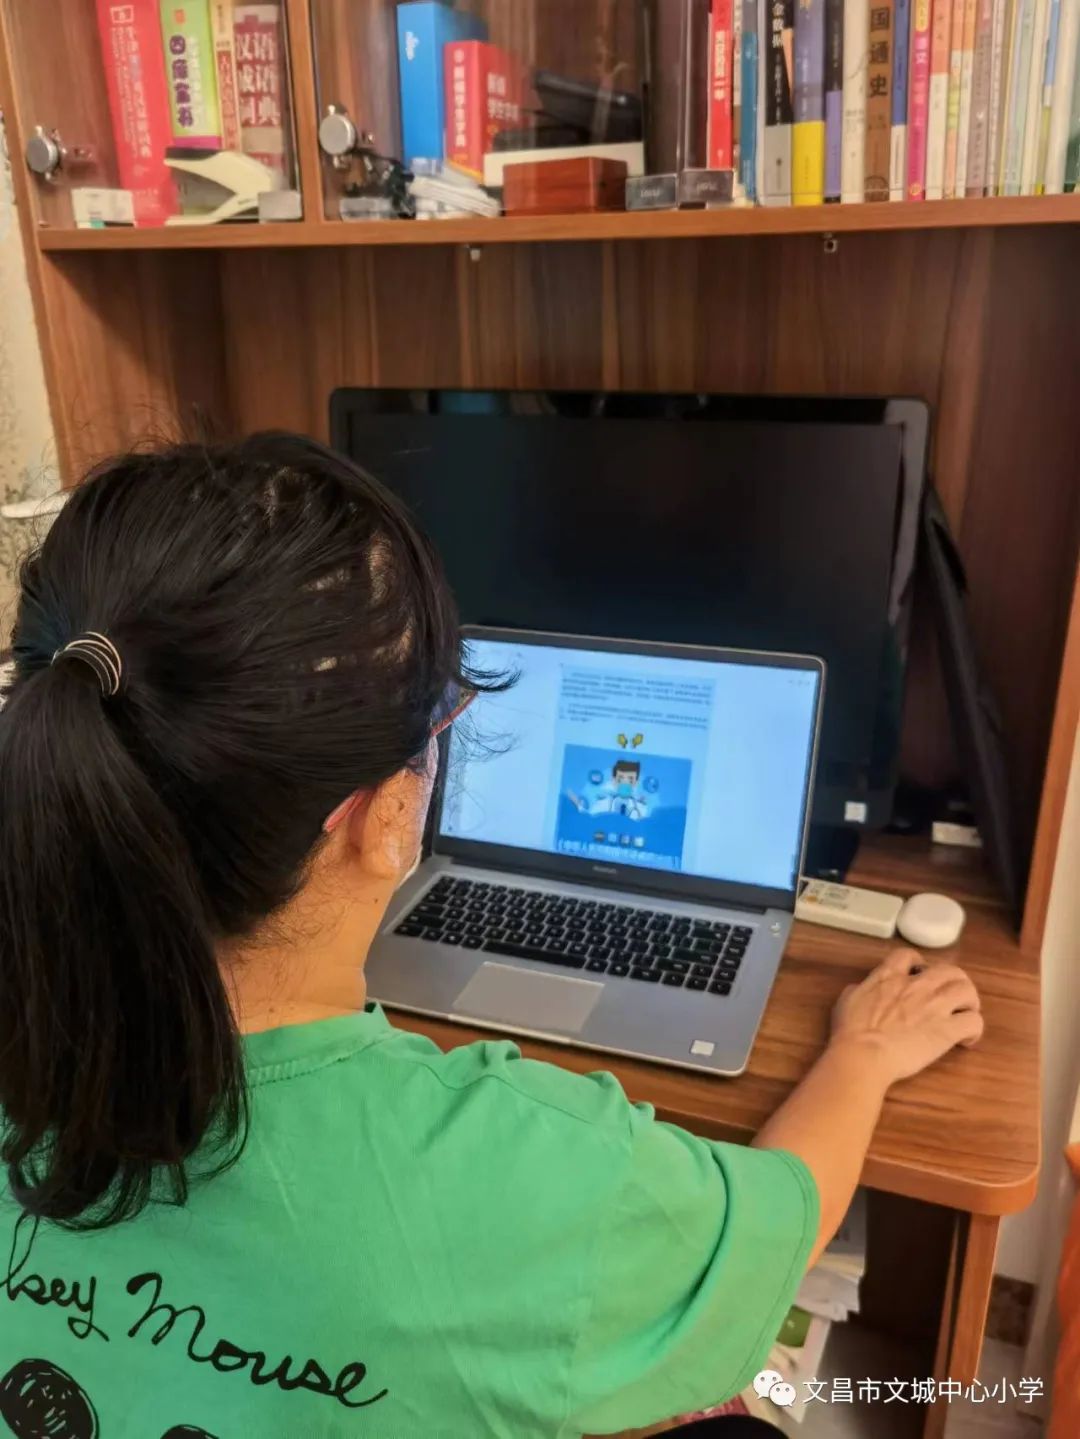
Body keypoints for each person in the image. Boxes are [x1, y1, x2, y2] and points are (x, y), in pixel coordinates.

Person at [0, 435, 984, 1439]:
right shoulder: (518, 1170)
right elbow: (777, 1223)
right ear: (388, 815)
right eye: (441, 718)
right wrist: (865, 1054)